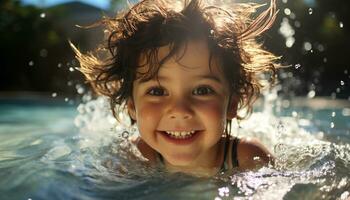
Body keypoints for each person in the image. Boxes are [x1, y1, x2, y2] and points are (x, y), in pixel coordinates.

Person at [71, 0, 279, 176]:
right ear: (131, 106)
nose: (179, 111)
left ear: (232, 103)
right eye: (157, 91)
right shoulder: (135, 158)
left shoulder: (248, 159)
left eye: (202, 90)